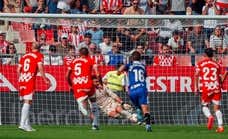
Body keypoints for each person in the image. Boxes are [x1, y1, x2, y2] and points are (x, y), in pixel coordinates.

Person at [17, 42, 50, 132]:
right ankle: (22, 124)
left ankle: (27, 125)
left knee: (26, 101)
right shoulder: (39, 55)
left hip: (22, 79)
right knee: (28, 101)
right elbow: (40, 67)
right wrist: (45, 79)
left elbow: (18, 69)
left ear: (32, 47)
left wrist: (21, 77)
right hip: (29, 79)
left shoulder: (25, 56)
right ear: (39, 48)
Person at [65, 47, 100, 130]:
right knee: (94, 103)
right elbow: (97, 73)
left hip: (78, 85)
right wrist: (100, 83)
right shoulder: (90, 60)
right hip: (89, 84)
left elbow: (67, 75)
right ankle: (95, 124)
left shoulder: (73, 61)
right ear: (87, 53)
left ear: (79, 54)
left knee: (83, 109)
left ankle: (90, 116)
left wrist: (70, 85)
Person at [117, 51, 152, 132]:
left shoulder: (129, 64)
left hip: (132, 90)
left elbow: (119, 70)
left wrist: (119, 72)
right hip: (142, 88)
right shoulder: (143, 66)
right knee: (145, 108)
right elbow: (145, 76)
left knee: (138, 107)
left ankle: (139, 115)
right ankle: (148, 125)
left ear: (132, 58)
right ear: (140, 58)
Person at [195, 48, 224, 133]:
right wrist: (225, 74)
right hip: (216, 87)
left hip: (206, 87)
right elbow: (220, 80)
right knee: (217, 109)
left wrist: (197, 88)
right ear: (212, 55)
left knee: (204, 106)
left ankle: (210, 117)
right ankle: (220, 127)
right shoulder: (217, 64)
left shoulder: (200, 64)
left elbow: (196, 76)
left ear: (205, 55)